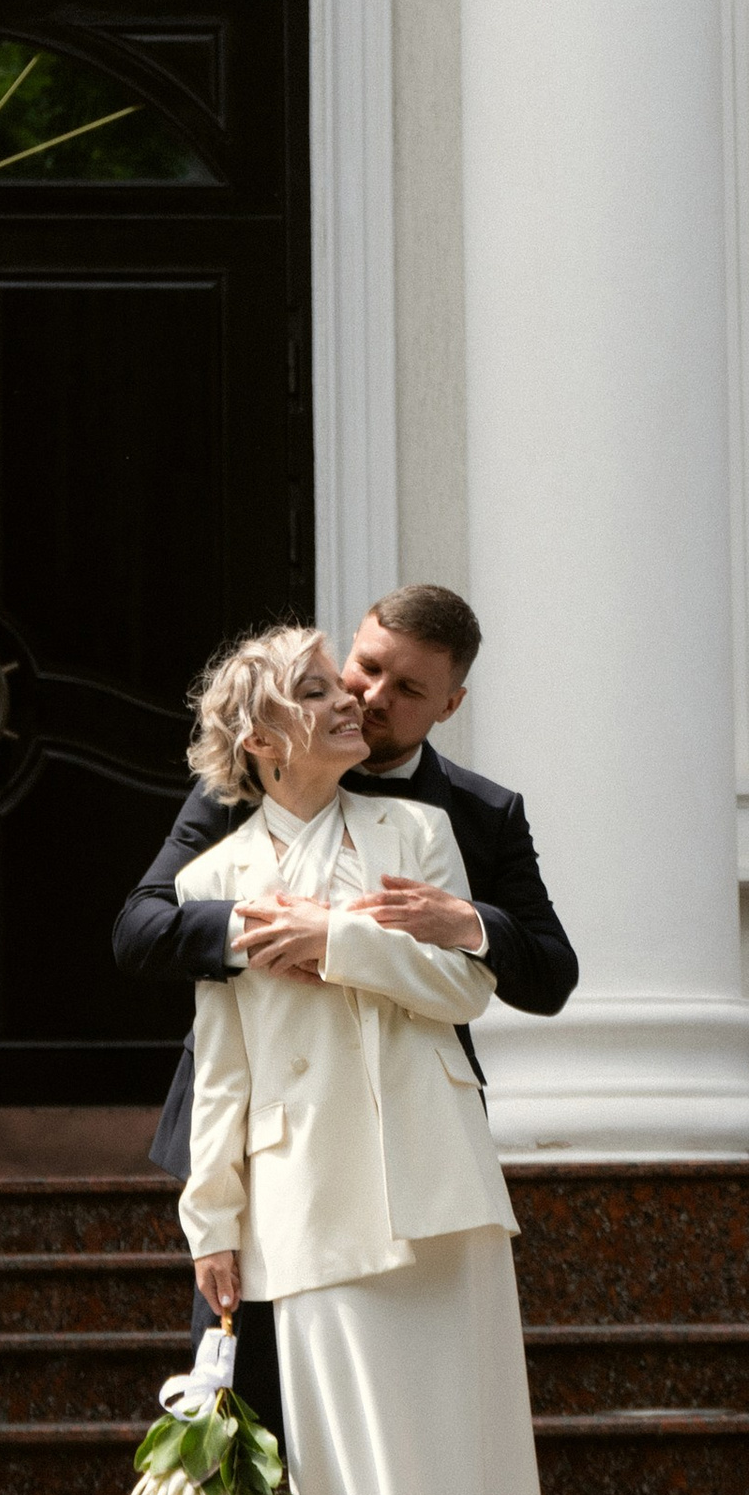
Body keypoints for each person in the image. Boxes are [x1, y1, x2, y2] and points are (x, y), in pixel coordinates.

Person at [113, 583, 575, 1450]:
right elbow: (139, 931)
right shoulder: (256, 770)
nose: (369, 697)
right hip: (265, 1130)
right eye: (363, 669)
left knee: (413, 1412)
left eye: (406, 689)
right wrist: (266, 935)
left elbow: (548, 974)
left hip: (406, 1131)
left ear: (450, 704)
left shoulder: (472, 815)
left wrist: (464, 925)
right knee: (240, 1394)